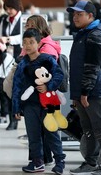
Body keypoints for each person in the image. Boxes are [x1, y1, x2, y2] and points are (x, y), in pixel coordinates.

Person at [12, 28, 66, 174]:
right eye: (25, 43)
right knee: (33, 135)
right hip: (30, 106)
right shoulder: (22, 64)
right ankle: (37, 162)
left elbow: (59, 75)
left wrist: (48, 86)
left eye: (31, 42)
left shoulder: (47, 59)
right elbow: (16, 86)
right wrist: (16, 108)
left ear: (39, 43)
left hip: (48, 104)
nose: (28, 45)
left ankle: (60, 161)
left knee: (51, 132)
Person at [67, 0, 101, 175]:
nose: (75, 17)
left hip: (94, 91)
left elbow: (92, 67)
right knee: (88, 129)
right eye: (74, 14)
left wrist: (84, 92)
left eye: (79, 14)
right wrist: (77, 92)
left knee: (100, 128)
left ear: (90, 16)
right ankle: (91, 162)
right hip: (82, 90)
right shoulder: (85, 32)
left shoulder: (96, 35)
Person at [22, 14, 62, 165]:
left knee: (47, 130)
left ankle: (55, 160)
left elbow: (53, 75)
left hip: (43, 96)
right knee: (37, 130)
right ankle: (42, 159)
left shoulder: (46, 49)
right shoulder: (34, 46)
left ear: (39, 28)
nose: (28, 29)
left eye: (31, 26)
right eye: (27, 26)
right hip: (34, 95)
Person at [0, 0, 24, 130]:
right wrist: (1, 40)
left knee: (15, 88)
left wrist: (9, 39)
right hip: (6, 57)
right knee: (3, 86)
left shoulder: (23, 20)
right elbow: (2, 34)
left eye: (11, 8)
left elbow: (25, 36)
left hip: (19, 57)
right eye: (7, 8)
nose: (8, 11)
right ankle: (9, 116)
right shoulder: (5, 20)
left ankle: (15, 119)